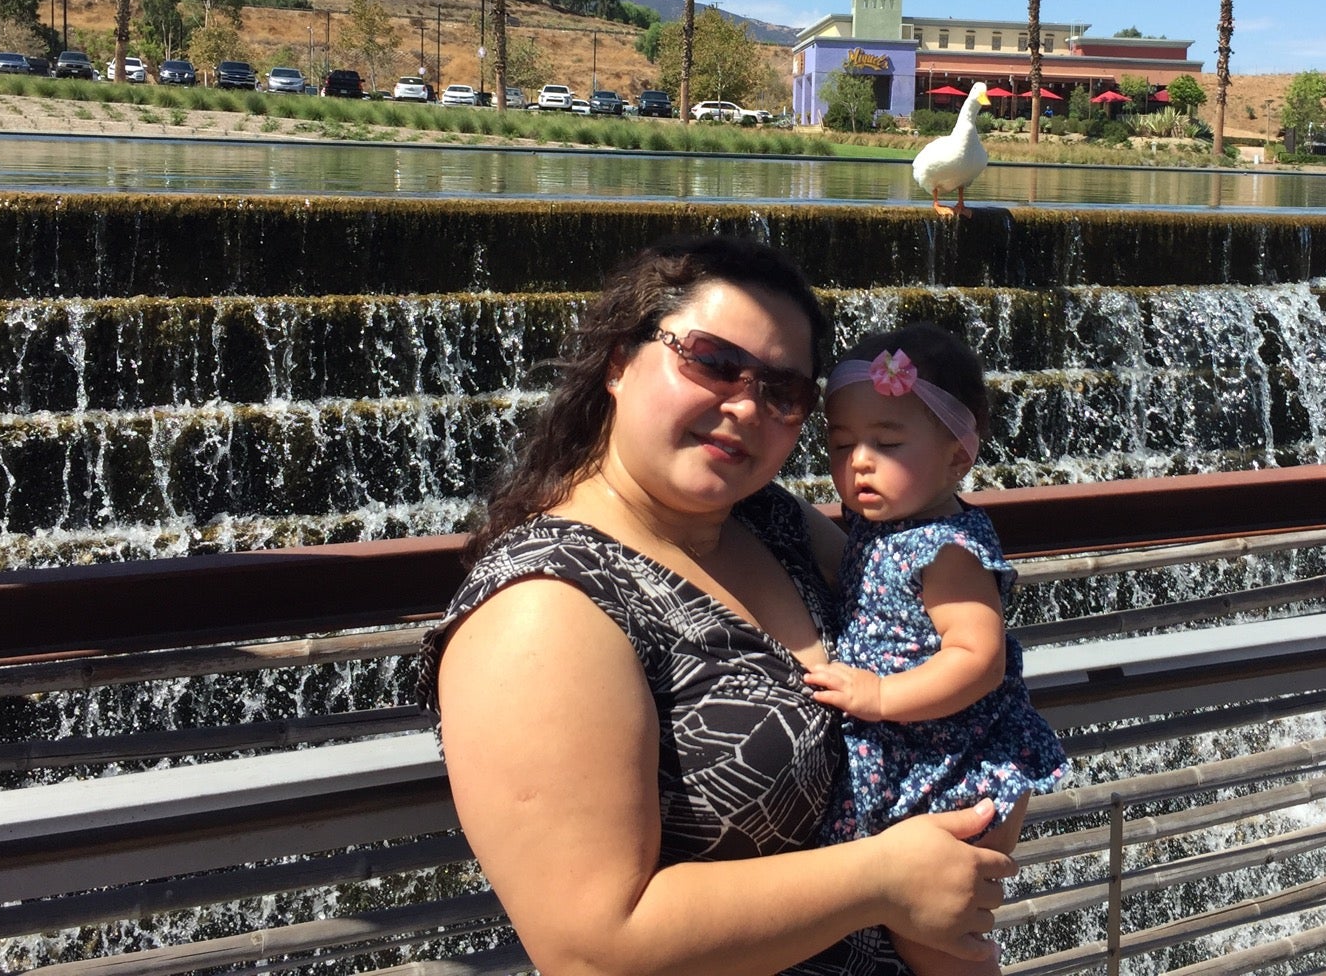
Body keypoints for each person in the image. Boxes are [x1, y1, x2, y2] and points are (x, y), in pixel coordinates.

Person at [423, 235, 1015, 976]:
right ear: (618, 362)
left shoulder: (771, 521)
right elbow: (592, 949)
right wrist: (884, 880)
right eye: (710, 360)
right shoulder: (543, 608)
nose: (744, 405)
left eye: (783, 391)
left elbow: (936, 622)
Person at [805, 323, 1068, 976]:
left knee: (938, 938)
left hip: (961, 763)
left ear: (957, 458)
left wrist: (882, 695)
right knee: (919, 931)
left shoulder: (946, 549)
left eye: (886, 443)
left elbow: (979, 658)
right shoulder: (884, 525)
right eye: (840, 446)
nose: (857, 463)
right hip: (922, 757)